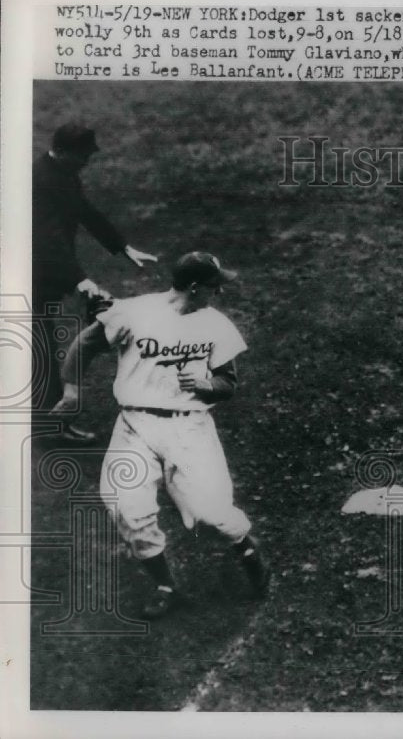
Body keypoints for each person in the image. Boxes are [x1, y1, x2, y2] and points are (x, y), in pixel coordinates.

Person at [51, 251, 270, 619]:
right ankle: (165, 586)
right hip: (135, 426)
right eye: (215, 287)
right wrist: (71, 391)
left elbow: (228, 383)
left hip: (190, 428)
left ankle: (247, 550)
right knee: (128, 508)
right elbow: (85, 345)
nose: (219, 294)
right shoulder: (134, 312)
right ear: (196, 288)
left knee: (211, 514)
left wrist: (205, 385)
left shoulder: (216, 325)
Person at [33, 123, 158, 441]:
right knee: (41, 349)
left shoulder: (63, 173)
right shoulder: (40, 180)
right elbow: (48, 242)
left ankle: (47, 421)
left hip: (42, 274)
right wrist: (81, 281)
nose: (87, 161)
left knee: (40, 346)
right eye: (83, 156)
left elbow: (85, 212)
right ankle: (49, 426)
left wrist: (122, 246)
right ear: (63, 151)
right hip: (32, 275)